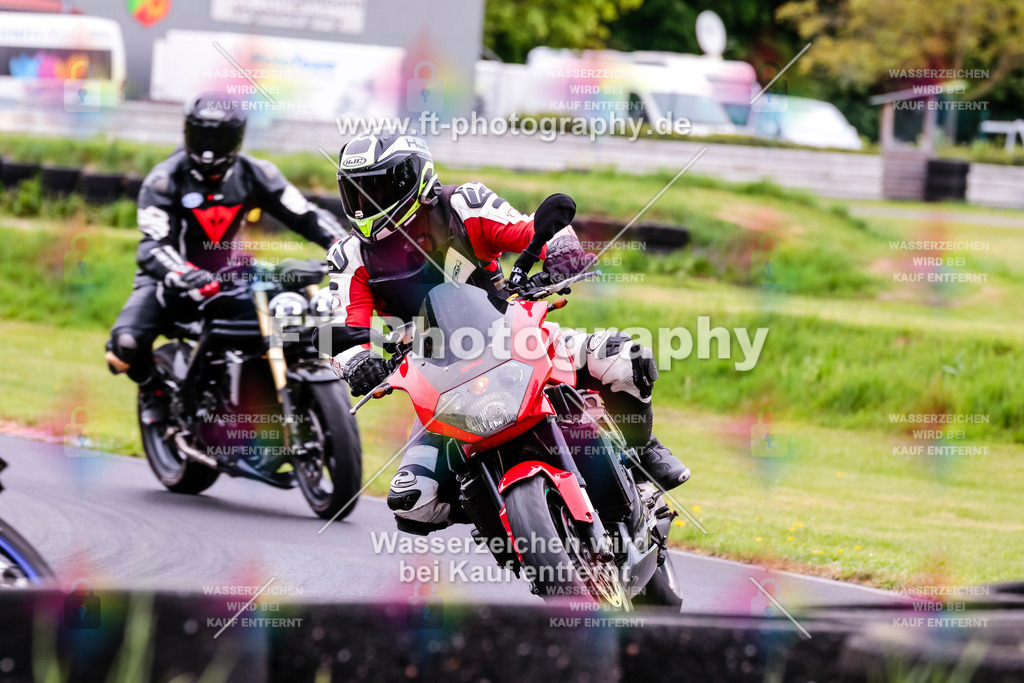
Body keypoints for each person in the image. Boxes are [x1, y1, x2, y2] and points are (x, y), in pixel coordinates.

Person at [320, 132, 689, 533]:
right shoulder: (348, 256)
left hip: (517, 338)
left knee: (625, 359)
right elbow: (340, 329)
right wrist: (357, 362)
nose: (365, 203)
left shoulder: (464, 204)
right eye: (355, 192)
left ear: (415, 180)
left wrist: (562, 252)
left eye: (377, 187)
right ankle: (497, 516)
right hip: (437, 378)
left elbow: (533, 230)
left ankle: (640, 453)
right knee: (413, 502)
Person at [106, 91, 345, 419]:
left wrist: (345, 247)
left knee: (297, 314)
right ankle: (153, 393)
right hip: (170, 279)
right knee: (125, 348)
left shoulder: (258, 173)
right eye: (202, 133)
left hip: (233, 276)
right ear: (187, 131)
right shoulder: (163, 181)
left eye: (219, 136)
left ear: (237, 137)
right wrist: (184, 273)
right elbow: (152, 247)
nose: (209, 145)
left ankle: (277, 396)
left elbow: (306, 215)